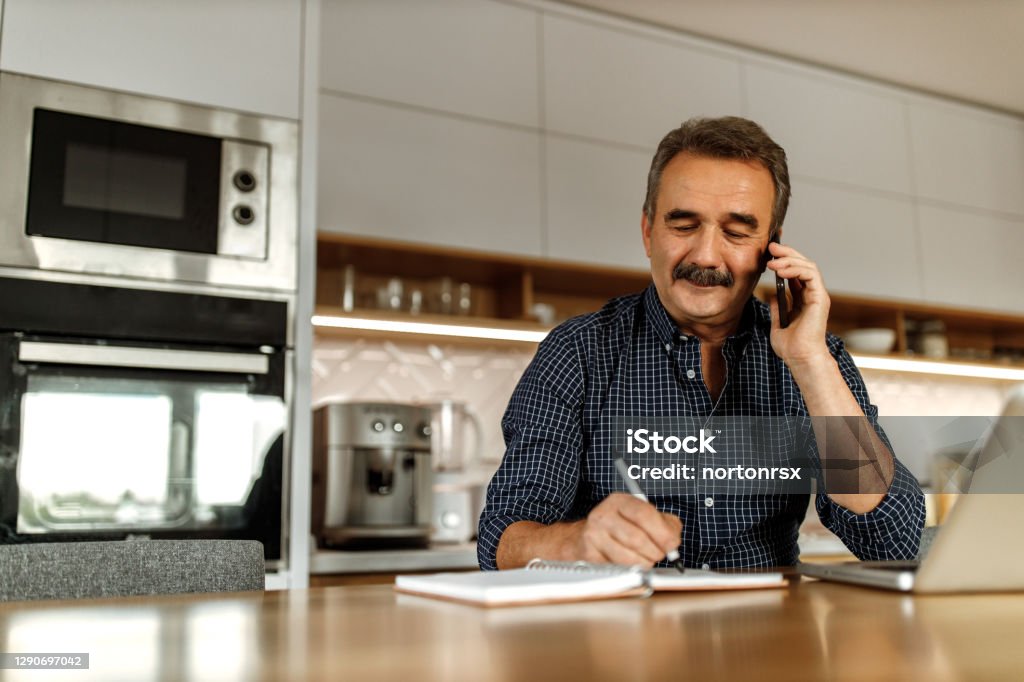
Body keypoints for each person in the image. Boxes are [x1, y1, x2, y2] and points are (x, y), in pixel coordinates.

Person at [478, 116, 924, 571]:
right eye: (684, 225)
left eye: (736, 231)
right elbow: (502, 539)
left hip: (774, 636)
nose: (707, 256)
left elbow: (895, 542)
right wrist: (575, 544)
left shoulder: (816, 359)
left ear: (772, 249)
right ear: (648, 232)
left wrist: (810, 361)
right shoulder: (575, 352)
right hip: (620, 635)